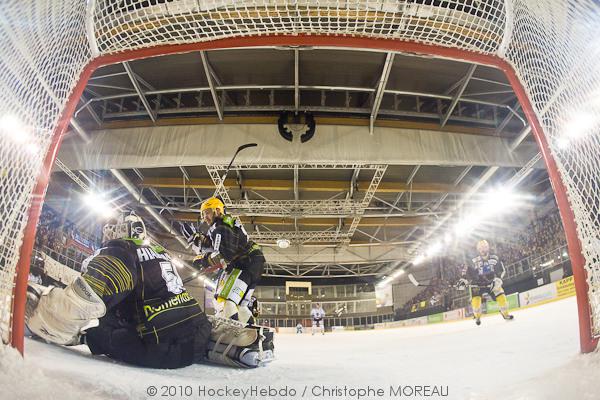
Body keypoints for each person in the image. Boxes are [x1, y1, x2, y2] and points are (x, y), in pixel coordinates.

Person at [26, 212, 273, 368]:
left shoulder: (119, 252)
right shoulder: (159, 253)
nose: (107, 234)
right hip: (196, 337)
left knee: (102, 330)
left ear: (119, 232)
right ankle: (228, 343)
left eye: (110, 229)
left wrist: (43, 315)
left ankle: (85, 337)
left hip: (160, 349)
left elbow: (83, 301)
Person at [182, 197, 265, 325]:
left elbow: (225, 256)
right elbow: (221, 247)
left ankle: (235, 335)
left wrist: (203, 260)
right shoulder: (224, 224)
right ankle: (254, 338)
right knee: (241, 306)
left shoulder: (219, 227)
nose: (205, 217)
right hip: (252, 262)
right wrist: (201, 243)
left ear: (217, 210)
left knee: (227, 302)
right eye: (203, 214)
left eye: (207, 212)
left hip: (246, 264)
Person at [458, 239, 514, 326]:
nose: (483, 249)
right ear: (478, 249)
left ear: (488, 247)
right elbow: (466, 271)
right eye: (480, 248)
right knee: (476, 306)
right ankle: (477, 316)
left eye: (484, 247)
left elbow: (502, 270)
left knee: (502, 298)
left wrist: (498, 280)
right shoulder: (472, 260)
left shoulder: (495, 257)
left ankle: (505, 314)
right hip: (477, 285)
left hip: (492, 283)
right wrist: (463, 279)